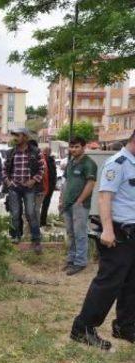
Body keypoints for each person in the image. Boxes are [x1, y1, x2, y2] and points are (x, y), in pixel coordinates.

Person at [70, 130, 135, 350]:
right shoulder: (118, 163)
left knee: (132, 283)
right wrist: (107, 229)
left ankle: (125, 326)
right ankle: (83, 328)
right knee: (108, 283)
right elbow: (105, 197)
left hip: (133, 233)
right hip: (118, 232)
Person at [2, 128, 44, 253]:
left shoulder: (36, 152)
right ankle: (15, 236)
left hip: (29, 188)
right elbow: (4, 169)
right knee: (15, 214)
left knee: (31, 213)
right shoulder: (11, 153)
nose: (14, 137)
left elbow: (42, 169)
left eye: (17, 135)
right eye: (13, 135)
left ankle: (36, 240)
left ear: (25, 137)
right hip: (14, 187)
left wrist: (33, 180)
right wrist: (8, 182)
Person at [59, 137, 97, 275]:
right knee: (70, 233)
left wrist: (80, 200)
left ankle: (80, 262)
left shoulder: (89, 164)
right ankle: (71, 259)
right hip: (68, 204)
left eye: (76, 147)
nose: (73, 149)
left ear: (83, 147)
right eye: (71, 147)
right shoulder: (71, 163)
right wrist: (61, 200)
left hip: (80, 205)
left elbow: (91, 184)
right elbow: (66, 183)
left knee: (80, 234)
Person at [40, 146, 57, 226]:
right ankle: (39, 221)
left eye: (48, 151)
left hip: (50, 186)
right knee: (39, 205)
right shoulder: (40, 159)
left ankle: (43, 221)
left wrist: (54, 184)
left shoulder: (51, 160)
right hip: (42, 186)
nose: (47, 152)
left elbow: (54, 173)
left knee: (46, 204)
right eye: (46, 151)